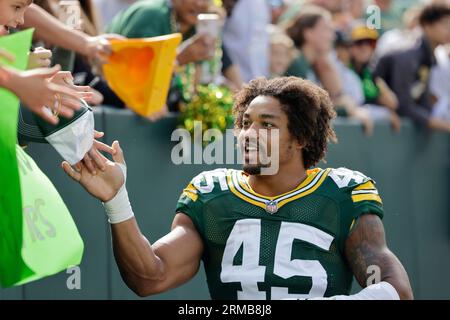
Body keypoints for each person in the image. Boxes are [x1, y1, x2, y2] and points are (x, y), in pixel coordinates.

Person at [62, 76, 413, 300]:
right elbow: (149, 278)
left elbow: (394, 291)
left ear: (302, 137)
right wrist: (116, 200)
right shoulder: (212, 193)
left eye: (266, 125)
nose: (248, 134)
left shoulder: (343, 192)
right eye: (245, 124)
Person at [374, 2, 450, 133]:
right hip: (376, 114)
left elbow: (422, 101)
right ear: (427, 25)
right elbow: (402, 104)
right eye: (445, 24)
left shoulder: (429, 56)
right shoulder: (409, 53)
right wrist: (435, 123)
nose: (449, 30)